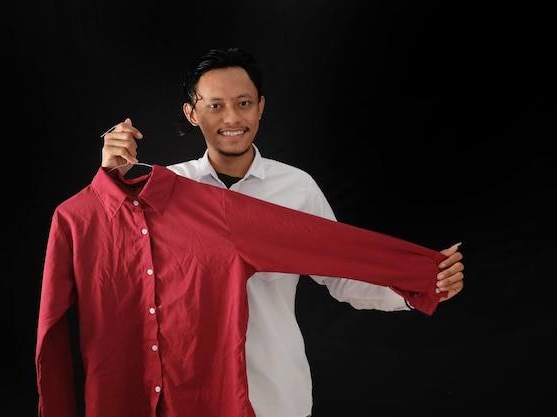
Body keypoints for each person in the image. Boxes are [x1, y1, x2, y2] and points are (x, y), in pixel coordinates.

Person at [100, 47, 465, 417]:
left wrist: (420, 285)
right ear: (191, 113)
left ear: (260, 106)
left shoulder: (295, 188)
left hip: (275, 394)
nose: (232, 118)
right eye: (215, 106)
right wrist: (112, 179)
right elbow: (116, 267)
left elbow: (343, 274)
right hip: (190, 396)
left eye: (243, 103)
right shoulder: (165, 189)